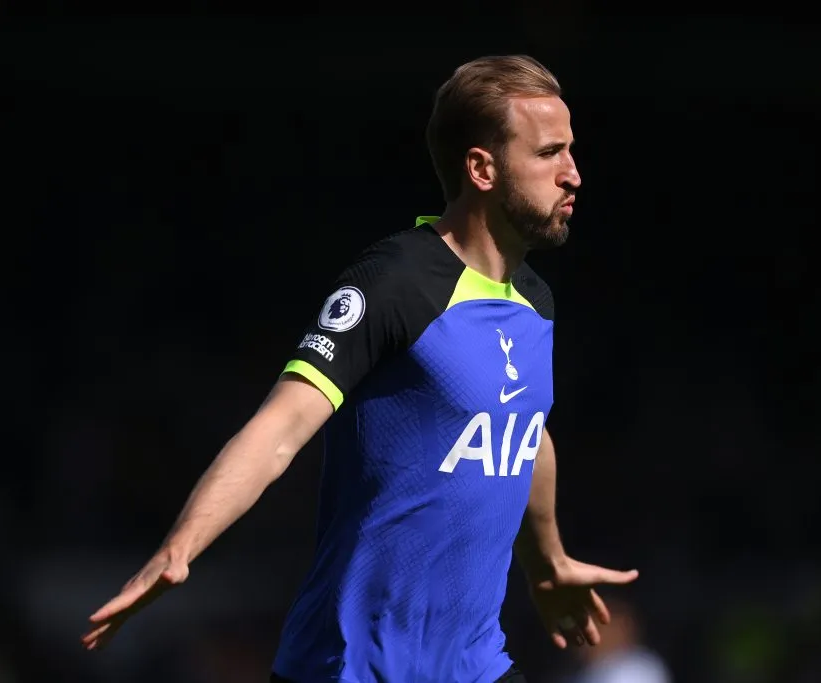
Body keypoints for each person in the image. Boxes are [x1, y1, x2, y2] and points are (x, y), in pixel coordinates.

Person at [81, 54, 639, 683]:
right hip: (351, 667)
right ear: (482, 168)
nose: (574, 175)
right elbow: (280, 428)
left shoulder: (535, 300)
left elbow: (525, 430)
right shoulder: (395, 282)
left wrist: (547, 561)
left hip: (474, 665)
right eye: (549, 153)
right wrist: (178, 549)